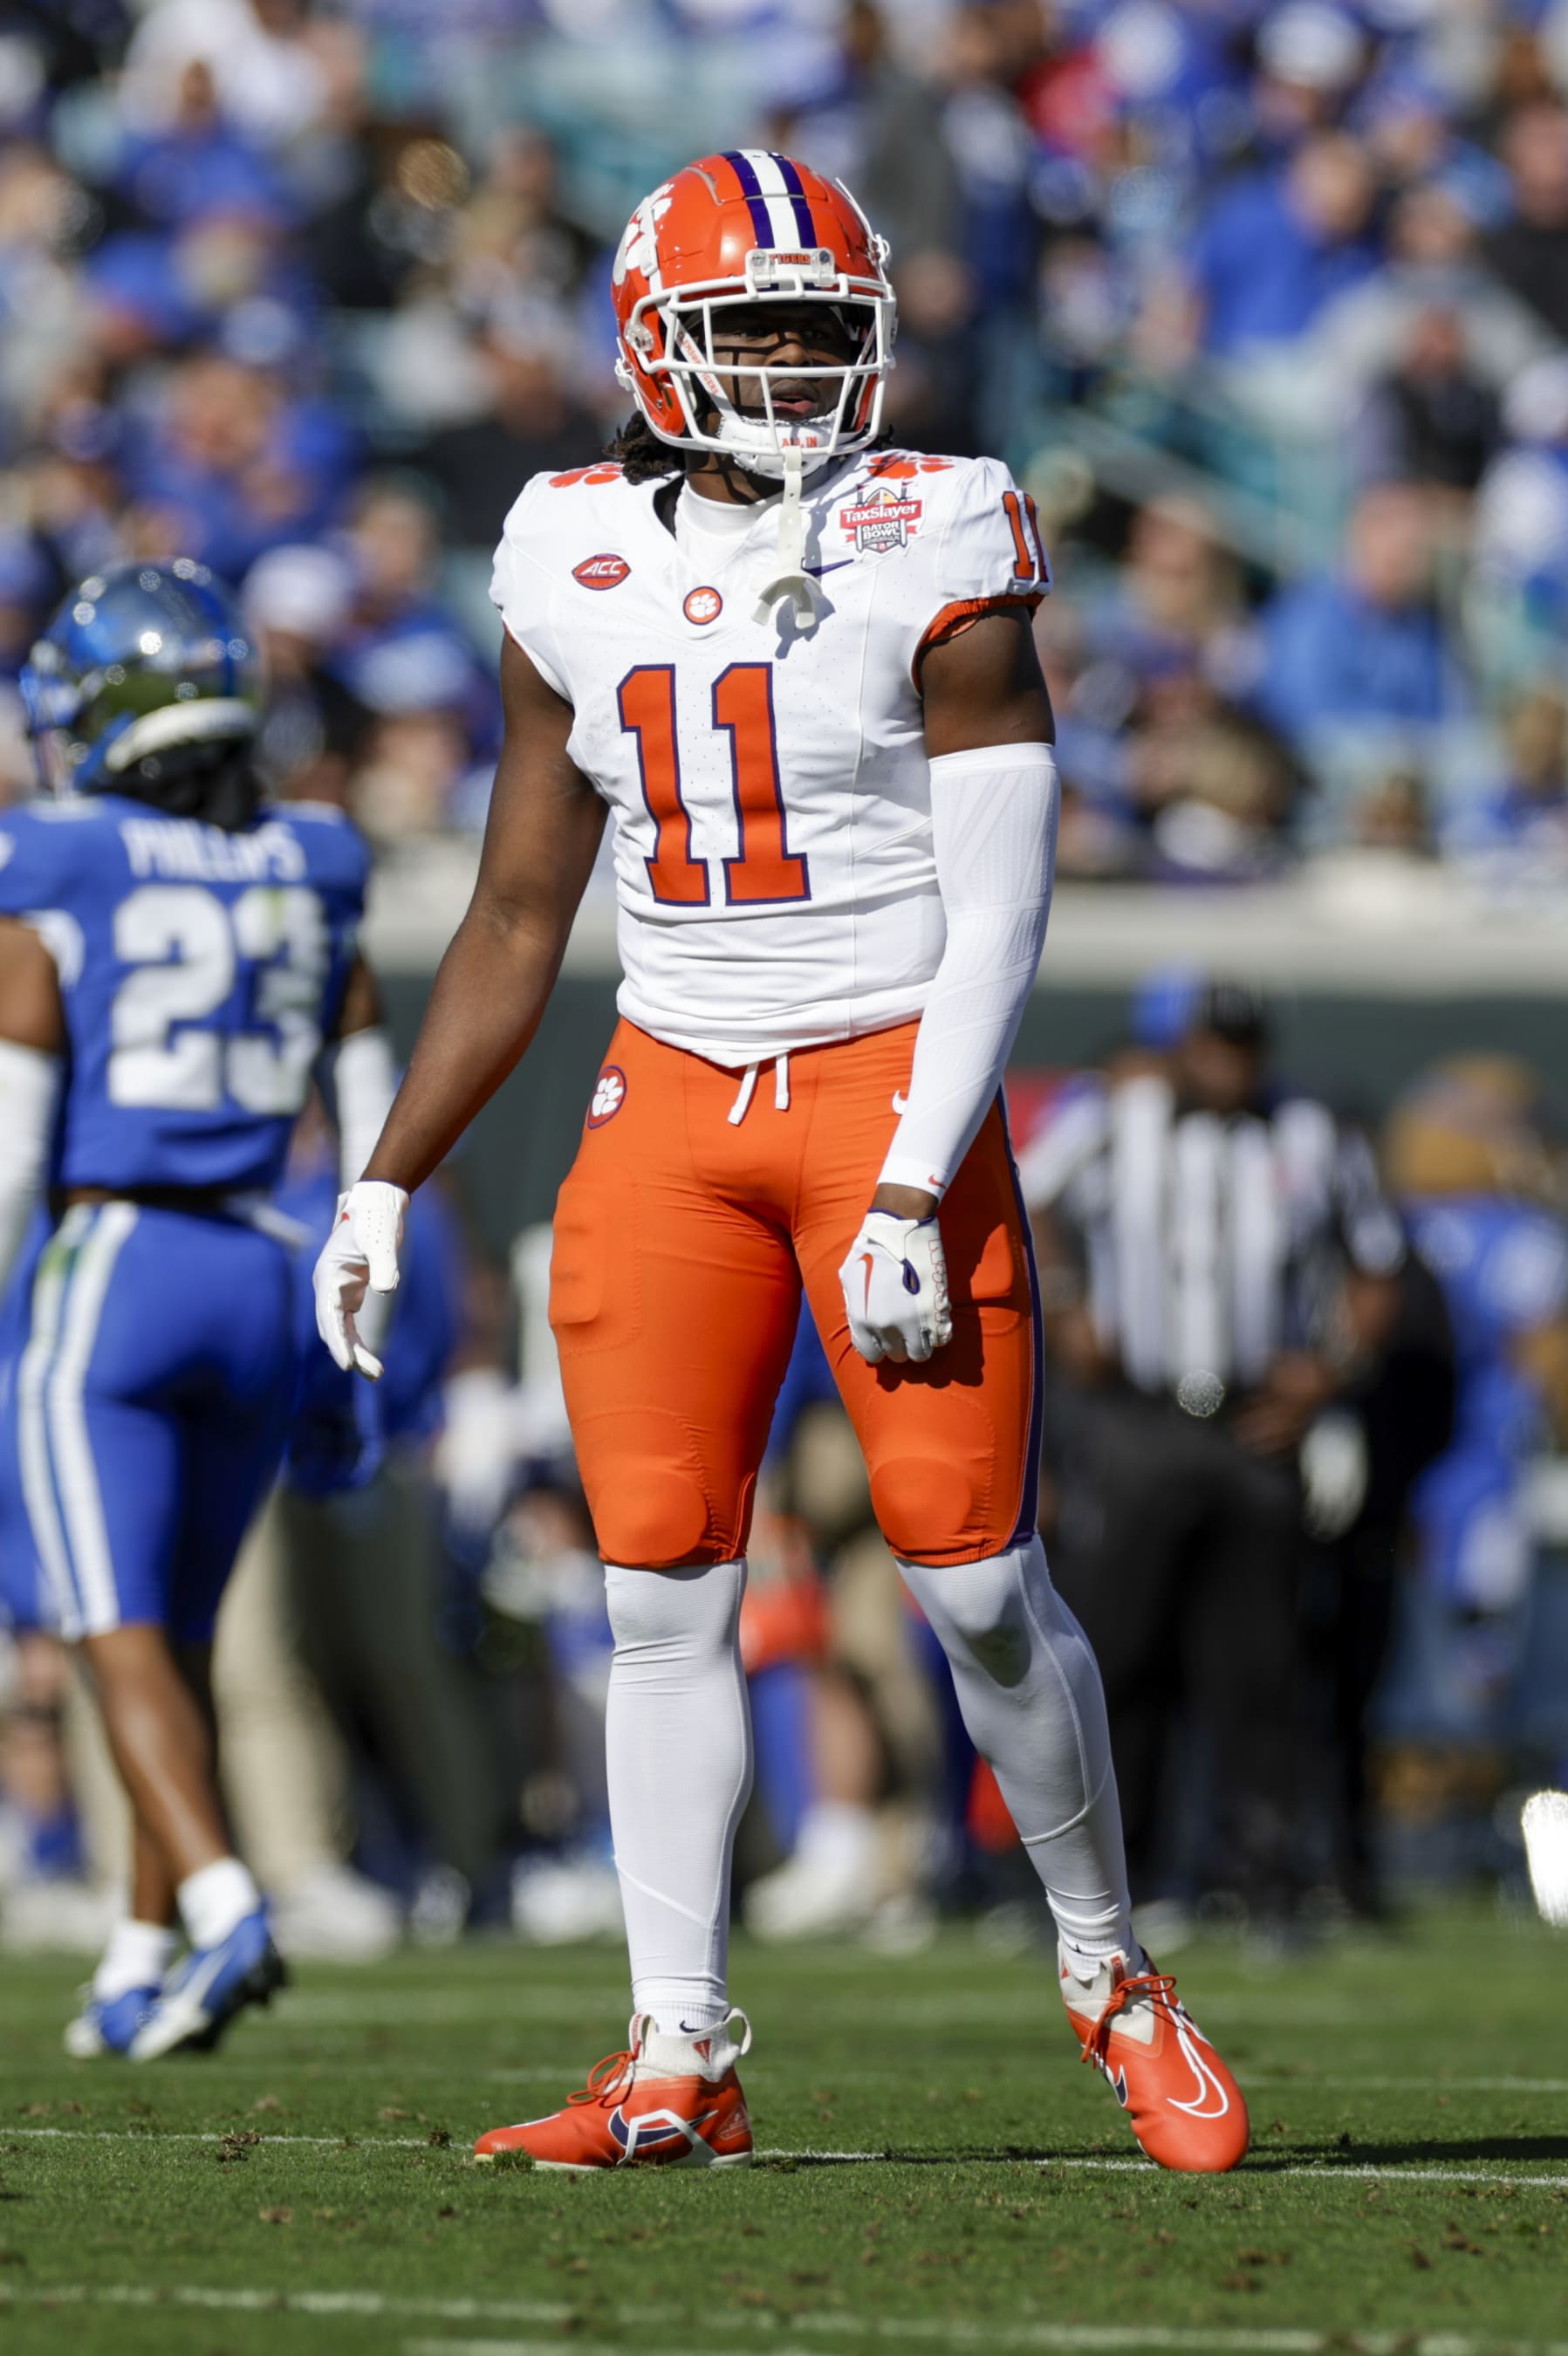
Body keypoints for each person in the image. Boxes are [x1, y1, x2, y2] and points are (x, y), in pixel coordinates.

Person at [316, 150, 1249, 2175]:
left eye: (828, 330)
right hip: (670, 1101)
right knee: (662, 1595)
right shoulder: (560, 544)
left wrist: (915, 1175)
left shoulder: (942, 523)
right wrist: (386, 1168)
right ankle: (679, 2044)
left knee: (975, 1578)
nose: (801, 367)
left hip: (881, 1085)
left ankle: (1105, 1967)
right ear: (654, 344)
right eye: (757, 330)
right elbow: (507, 913)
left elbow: (1001, 905)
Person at [4, 557, 393, 2058]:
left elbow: (15, 1155)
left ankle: (227, 1901)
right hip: (269, 1266)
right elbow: (370, 1129)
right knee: (171, 1628)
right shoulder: (320, 858)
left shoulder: (60, 860)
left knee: (113, 1632)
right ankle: (138, 1947)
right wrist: (358, 1327)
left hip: (115, 1265)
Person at [1023, 980, 1405, 1921]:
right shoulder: (1115, 1117)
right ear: (1184, 1048)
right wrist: (1068, 1304)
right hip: (1138, 1415)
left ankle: (1264, 1877)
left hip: (1253, 1421)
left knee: (1258, 1661)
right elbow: (1027, 1201)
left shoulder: (1312, 1134)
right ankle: (1118, 1880)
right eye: (1213, 1049)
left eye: (1244, 1052)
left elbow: (1379, 1263)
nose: (1227, 1070)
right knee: (1117, 1648)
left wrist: (1330, 1371)